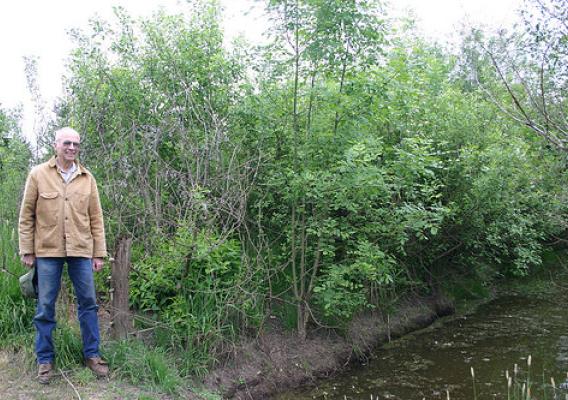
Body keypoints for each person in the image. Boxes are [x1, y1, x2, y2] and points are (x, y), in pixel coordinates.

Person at [18, 127, 109, 384]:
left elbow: (96, 218)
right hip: (47, 251)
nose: (72, 148)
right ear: (56, 145)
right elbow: (27, 216)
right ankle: (44, 360)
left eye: (76, 144)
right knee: (45, 306)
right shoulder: (38, 174)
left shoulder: (87, 178)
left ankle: (92, 355)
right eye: (67, 143)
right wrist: (27, 249)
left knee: (89, 303)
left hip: (81, 250)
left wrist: (99, 253)